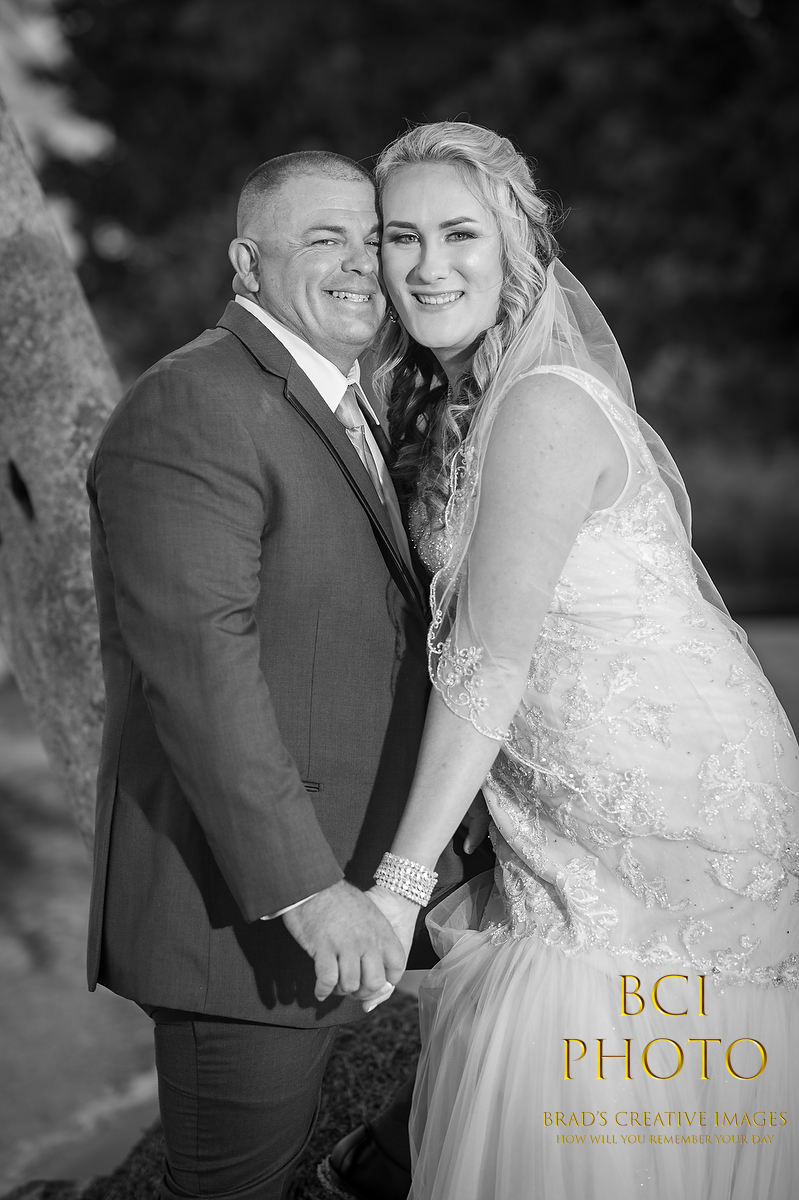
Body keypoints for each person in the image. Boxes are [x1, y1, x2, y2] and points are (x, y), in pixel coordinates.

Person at [338, 121, 799, 1200]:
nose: (428, 266)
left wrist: (399, 887)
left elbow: (488, 661)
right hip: (560, 800)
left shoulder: (542, 403)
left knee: (600, 1053)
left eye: (459, 233)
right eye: (401, 237)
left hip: (668, 806)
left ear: (515, 247)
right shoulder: (455, 405)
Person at [86, 149, 489, 1200]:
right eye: (324, 239)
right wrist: (308, 895)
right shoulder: (193, 403)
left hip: (372, 875)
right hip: (249, 920)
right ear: (245, 263)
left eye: (373, 238)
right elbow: (200, 677)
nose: (363, 264)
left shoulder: (353, 401)